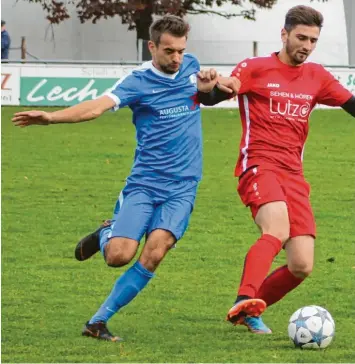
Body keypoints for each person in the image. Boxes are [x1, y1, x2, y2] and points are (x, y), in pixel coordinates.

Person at [12, 15, 240, 342]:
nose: (176, 58)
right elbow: (96, 108)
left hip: (182, 187)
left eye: (180, 51)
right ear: (152, 47)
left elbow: (233, 87)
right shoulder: (137, 82)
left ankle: (97, 322)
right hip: (145, 185)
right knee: (118, 256)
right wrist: (50, 117)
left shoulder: (192, 67)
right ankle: (106, 233)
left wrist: (214, 84)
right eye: (169, 51)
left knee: (156, 251)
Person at [201, 5, 355, 334]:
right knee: (276, 230)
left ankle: (248, 311)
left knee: (301, 264)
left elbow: (350, 104)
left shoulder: (317, 76)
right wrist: (209, 87)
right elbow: (215, 96)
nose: (307, 46)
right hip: (258, 164)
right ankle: (245, 297)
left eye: (313, 40)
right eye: (301, 37)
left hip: (294, 175)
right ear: (284, 35)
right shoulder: (255, 68)